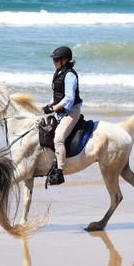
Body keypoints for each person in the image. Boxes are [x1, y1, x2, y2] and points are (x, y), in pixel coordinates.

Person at [42, 45, 82, 186]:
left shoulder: (70, 75)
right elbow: (58, 95)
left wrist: (54, 108)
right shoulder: (59, 73)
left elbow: (69, 98)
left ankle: (59, 172)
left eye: (56, 60)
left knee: (58, 139)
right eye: (54, 60)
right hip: (60, 111)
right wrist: (49, 104)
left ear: (65, 60)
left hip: (71, 111)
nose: (54, 62)